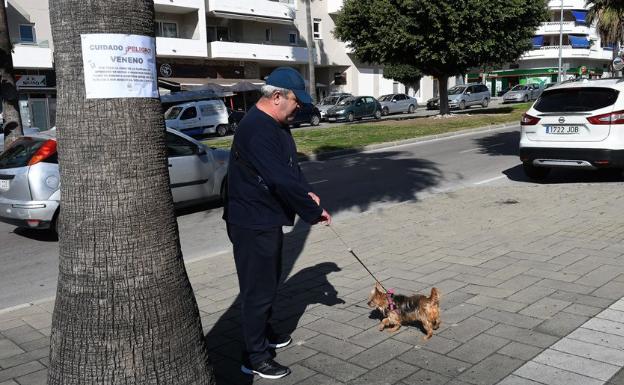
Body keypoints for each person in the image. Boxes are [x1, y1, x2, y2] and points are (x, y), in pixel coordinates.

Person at [223, 67, 331, 380]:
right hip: (251, 221)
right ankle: (254, 356)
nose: (300, 107)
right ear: (277, 97)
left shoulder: (277, 125)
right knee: (257, 290)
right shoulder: (257, 128)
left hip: (266, 218)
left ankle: (264, 332)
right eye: (297, 100)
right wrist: (312, 213)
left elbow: (291, 169)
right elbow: (279, 179)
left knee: (268, 284)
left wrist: (307, 191)